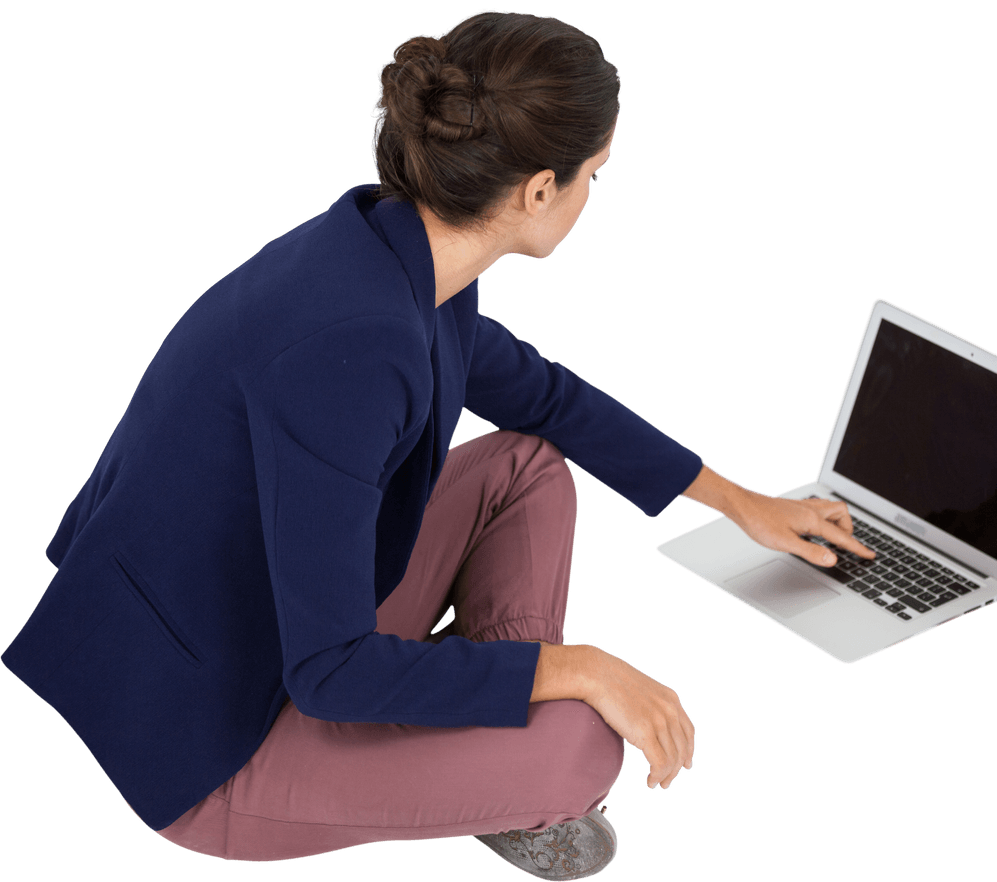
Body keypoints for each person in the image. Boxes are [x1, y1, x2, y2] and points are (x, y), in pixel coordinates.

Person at [1, 9, 872, 880]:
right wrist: (574, 668)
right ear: (539, 190)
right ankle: (495, 758)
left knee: (524, 467)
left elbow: (545, 397)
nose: (593, 195)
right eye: (595, 175)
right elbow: (331, 671)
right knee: (582, 750)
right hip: (206, 739)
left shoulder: (394, 250)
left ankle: (476, 735)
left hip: (249, 620)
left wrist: (742, 503)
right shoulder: (352, 348)